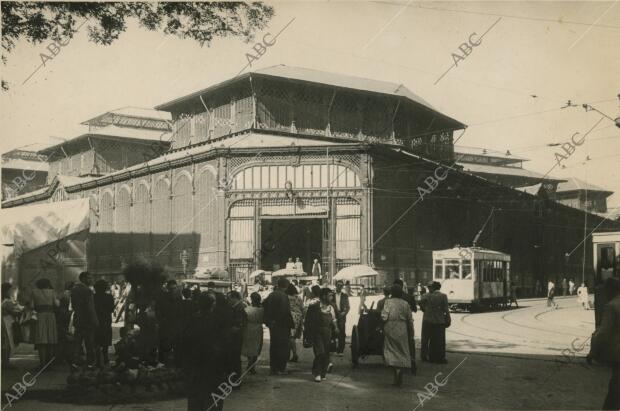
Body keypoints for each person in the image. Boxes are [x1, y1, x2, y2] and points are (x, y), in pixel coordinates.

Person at [182, 292, 227, 411]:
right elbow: (223, 344)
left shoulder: (192, 319)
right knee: (213, 397)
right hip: (213, 366)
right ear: (212, 305)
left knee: (196, 397)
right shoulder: (217, 321)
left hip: (195, 366)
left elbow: (184, 342)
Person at [588, 277, 620, 410]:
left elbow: (603, 333)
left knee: (614, 394)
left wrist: (592, 352)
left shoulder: (612, 306)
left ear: (610, 290)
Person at [381, 285, 414, 386]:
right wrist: (411, 331)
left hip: (390, 327)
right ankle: (400, 369)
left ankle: (395, 371)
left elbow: (384, 316)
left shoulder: (388, 302)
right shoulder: (405, 303)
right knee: (402, 350)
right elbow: (410, 319)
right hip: (402, 328)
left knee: (390, 350)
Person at [304, 287, 338, 382]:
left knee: (326, 353)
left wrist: (336, 328)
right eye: (329, 295)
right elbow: (308, 321)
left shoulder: (331, 307)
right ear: (323, 296)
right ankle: (317, 373)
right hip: (317, 333)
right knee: (320, 352)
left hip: (328, 333)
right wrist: (307, 335)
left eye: (332, 295)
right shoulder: (314, 307)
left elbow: (334, 319)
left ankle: (323, 373)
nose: (331, 297)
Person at [263, 277, 294, 375]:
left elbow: (263, 305)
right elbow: (285, 312)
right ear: (286, 286)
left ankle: (274, 368)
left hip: (273, 324)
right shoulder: (283, 296)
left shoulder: (271, 295)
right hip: (282, 325)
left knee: (274, 346)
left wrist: (269, 321)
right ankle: (281, 368)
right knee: (283, 346)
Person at [71, 271, 99, 367]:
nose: (91, 280)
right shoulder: (87, 291)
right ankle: (90, 363)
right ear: (83, 279)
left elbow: (74, 305)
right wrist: (95, 320)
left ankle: (75, 361)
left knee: (77, 342)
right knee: (89, 342)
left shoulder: (74, 290)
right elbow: (90, 307)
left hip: (78, 318)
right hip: (88, 320)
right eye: (89, 278)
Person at [30, 278, 58, 368]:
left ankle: (42, 364)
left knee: (41, 340)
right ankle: (49, 364)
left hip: (40, 316)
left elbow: (31, 306)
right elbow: (57, 304)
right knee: (50, 339)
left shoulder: (34, 292)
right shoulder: (52, 292)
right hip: (50, 316)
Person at [420, 281, 451, 364]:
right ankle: (440, 357)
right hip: (439, 320)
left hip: (427, 320)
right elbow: (446, 309)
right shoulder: (443, 296)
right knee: (439, 340)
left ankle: (424, 355)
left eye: (430, 287)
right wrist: (448, 318)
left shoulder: (425, 296)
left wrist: (426, 310)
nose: (429, 288)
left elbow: (421, 306)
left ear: (433, 288)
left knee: (425, 338)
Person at [2, 283, 24, 369]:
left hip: (5, 321)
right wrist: (21, 311)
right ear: (6, 291)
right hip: (6, 322)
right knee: (7, 342)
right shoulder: (7, 302)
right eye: (10, 290)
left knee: (5, 342)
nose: (12, 292)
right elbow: (14, 311)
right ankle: (6, 362)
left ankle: (6, 362)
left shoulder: (6, 300)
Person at [93, 279, 115, 367]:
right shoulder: (109, 297)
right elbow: (111, 309)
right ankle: (105, 357)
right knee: (105, 339)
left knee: (96, 340)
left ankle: (98, 359)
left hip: (96, 319)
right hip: (106, 320)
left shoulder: (93, 296)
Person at [228, 290, 247, 384]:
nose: (229, 300)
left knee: (235, 358)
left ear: (234, 298)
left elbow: (239, 323)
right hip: (237, 336)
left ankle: (235, 380)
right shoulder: (237, 306)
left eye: (230, 298)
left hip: (236, 336)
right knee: (235, 358)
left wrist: (231, 330)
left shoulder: (239, 307)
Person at [242, 292, 264, 374]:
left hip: (248, 328)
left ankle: (250, 362)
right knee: (256, 346)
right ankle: (252, 365)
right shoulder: (262, 310)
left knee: (249, 346)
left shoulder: (247, 309)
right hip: (258, 328)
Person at [286, 283, 303, 363]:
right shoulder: (298, 297)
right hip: (298, 316)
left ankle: (293, 354)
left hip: (290, 316)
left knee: (290, 336)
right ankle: (292, 354)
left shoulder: (287, 297)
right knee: (293, 337)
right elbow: (302, 308)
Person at [334, 280, 350, 356]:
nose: (339, 287)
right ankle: (332, 348)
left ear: (342, 287)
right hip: (333, 314)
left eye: (341, 285)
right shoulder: (332, 295)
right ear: (336, 285)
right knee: (332, 331)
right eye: (338, 285)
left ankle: (340, 350)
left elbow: (348, 307)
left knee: (341, 332)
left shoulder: (345, 296)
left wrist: (344, 312)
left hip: (341, 315)